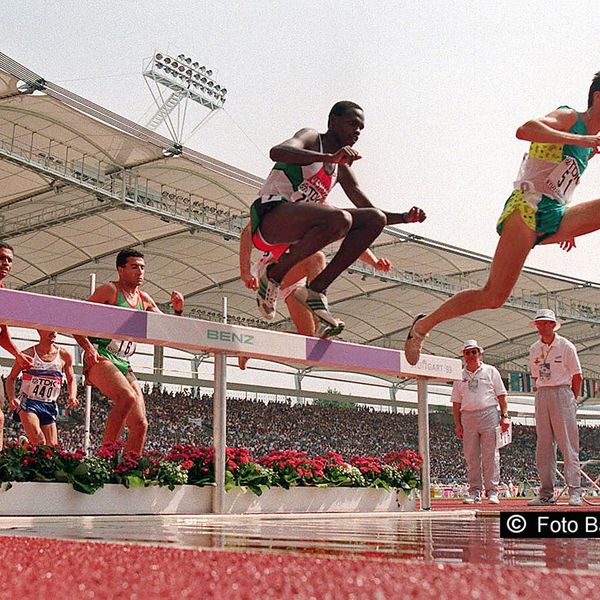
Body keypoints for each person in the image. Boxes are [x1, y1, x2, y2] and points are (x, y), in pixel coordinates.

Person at [404, 72, 600, 365]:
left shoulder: (589, 144)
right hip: (527, 207)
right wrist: (581, 138)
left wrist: (573, 224)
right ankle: (422, 326)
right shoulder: (570, 117)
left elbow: (561, 178)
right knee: (493, 296)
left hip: (554, 212)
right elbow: (526, 129)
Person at [251, 100, 426, 330]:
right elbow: (277, 152)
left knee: (375, 219)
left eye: (361, 128)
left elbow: (368, 209)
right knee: (339, 218)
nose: (357, 132)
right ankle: (273, 274)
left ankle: (316, 289)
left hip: (298, 231)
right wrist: (328, 158)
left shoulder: (341, 168)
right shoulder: (312, 138)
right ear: (333, 121)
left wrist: (404, 217)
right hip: (271, 218)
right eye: (352, 124)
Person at [74, 249, 184, 455]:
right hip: (101, 354)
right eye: (134, 267)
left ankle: (129, 467)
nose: (140, 272)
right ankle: (104, 457)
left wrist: (177, 311)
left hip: (124, 361)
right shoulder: (109, 291)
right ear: (120, 269)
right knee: (126, 397)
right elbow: (75, 319)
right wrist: (87, 347)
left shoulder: (145, 299)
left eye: (142, 267)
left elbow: (168, 329)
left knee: (141, 424)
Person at [239, 224, 392, 368]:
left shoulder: (327, 214)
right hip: (274, 269)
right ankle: (323, 314)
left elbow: (351, 239)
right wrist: (245, 272)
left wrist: (374, 261)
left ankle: (253, 347)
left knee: (308, 340)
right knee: (317, 258)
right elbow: (248, 230)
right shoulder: (294, 204)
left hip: (296, 280)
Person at [527, 309, 583, 506]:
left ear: (553, 325)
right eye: (539, 324)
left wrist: (571, 399)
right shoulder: (534, 348)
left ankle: (575, 491)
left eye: (545, 323)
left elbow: (577, 376)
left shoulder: (566, 346)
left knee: (568, 444)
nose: (541, 327)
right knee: (543, 445)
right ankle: (546, 493)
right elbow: (536, 375)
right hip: (542, 393)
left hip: (562, 392)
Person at [451, 340, 510, 504]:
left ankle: (492, 491)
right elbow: (456, 403)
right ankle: (474, 491)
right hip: (468, 416)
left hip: (489, 413)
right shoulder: (459, 376)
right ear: (463, 355)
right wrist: (458, 424)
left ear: (479, 353)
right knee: (471, 456)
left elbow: (501, 395)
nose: (471, 356)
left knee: (491, 454)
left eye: (474, 352)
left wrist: (505, 415)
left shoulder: (491, 371)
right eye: (467, 353)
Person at [6, 329, 78, 446]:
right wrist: (12, 397)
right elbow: (11, 378)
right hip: (28, 402)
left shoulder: (64, 355)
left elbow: (71, 379)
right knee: (40, 441)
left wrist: (72, 396)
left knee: (52, 449)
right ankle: (29, 445)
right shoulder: (28, 354)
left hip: (49, 404)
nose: (54, 332)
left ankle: (24, 445)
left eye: (56, 329)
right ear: (39, 330)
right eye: (49, 329)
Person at [0, 242, 34, 450]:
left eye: (9, 260)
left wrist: (18, 355)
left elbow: (2, 334)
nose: (5, 263)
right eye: (1, 258)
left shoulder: (3, 292)